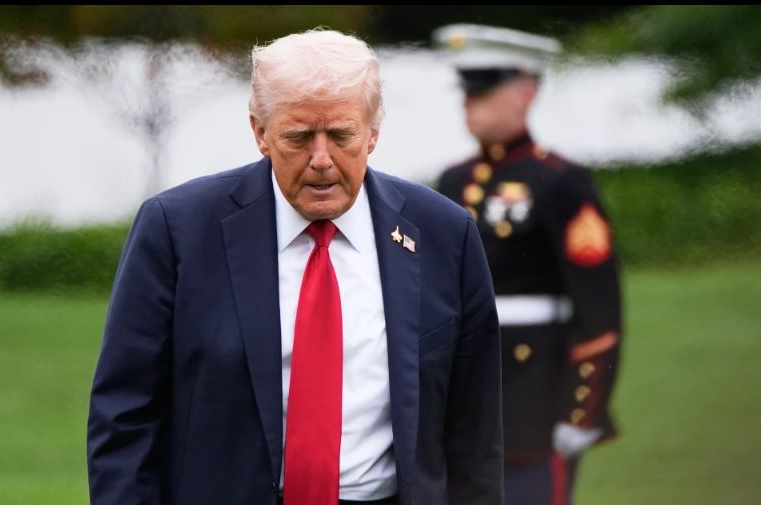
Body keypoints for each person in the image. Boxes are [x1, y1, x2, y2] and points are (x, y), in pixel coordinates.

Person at [87, 29, 503, 505]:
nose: (321, 159)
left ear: (373, 131)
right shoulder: (177, 230)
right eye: (298, 137)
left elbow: (475, 435)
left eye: (341, 135)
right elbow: (125, 418)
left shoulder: (443, 234)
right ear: (260, 132)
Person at [433, 24, 622, 505]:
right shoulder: (452, 182)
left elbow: (598, 310)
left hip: (535, 403)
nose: (469, 103)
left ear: (526, 91)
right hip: (464, 402)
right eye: (467, 91)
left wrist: (580, 412)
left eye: (484, 90)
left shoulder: (560, 182)